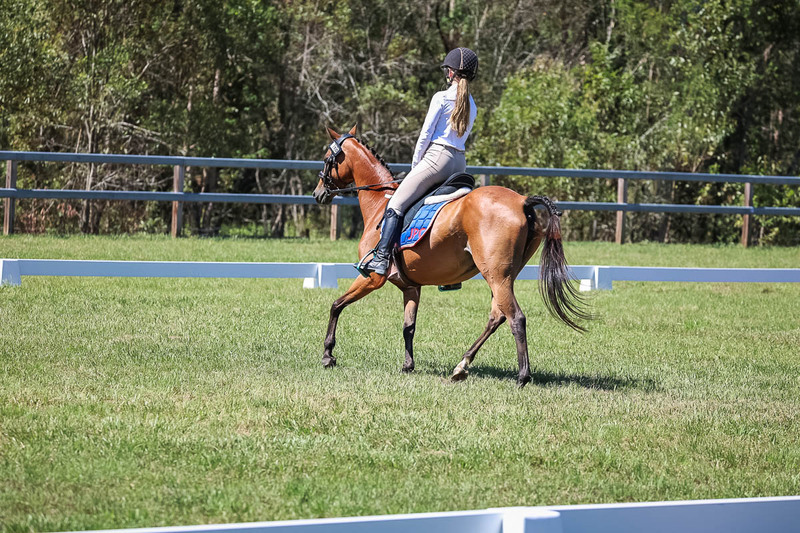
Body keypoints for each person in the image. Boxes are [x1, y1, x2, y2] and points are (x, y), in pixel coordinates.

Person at [359, 47, 479, 277]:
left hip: (437, 159)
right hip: (459, 162)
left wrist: (416, 167)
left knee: (395, 203)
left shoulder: (441, 97)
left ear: (452, 72)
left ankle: (382, 259)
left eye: (448, 71)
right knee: (438, 206)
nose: (446, 74)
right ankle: (449, 274)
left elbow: (425, 136)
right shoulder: (472, 104)